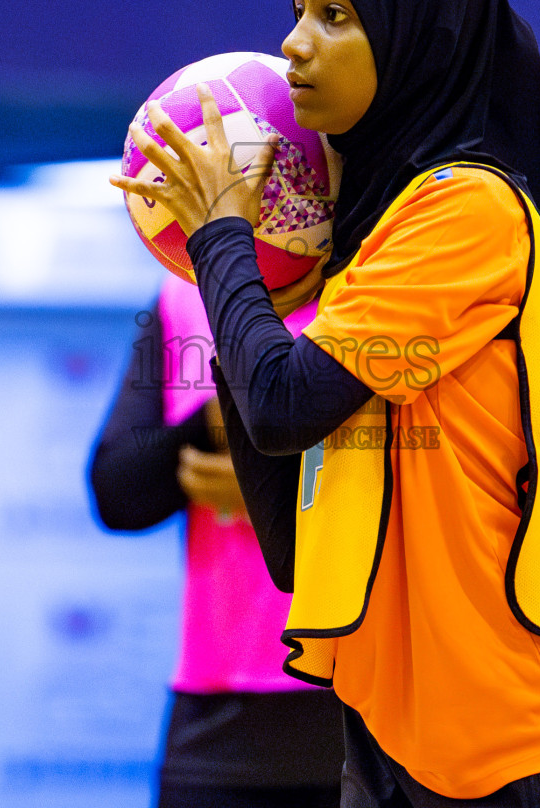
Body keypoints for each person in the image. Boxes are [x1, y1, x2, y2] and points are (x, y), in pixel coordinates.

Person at [112, 0, 540, 807]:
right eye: (296, 10)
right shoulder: (370, 245)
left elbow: (285, 404)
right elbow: (291, 543)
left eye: (334, 14)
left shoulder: (467, 208)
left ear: (418, 41)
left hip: (539, 749)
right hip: (398, 749)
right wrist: (255, 286)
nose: (292, 44)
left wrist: (221, 240)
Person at [89, 273, 344, 808]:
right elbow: (117, 492)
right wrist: (221, 412)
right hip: (218, 718)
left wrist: (272, 491)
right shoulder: (185, 295)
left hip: (368, 710)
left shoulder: (381, 282)